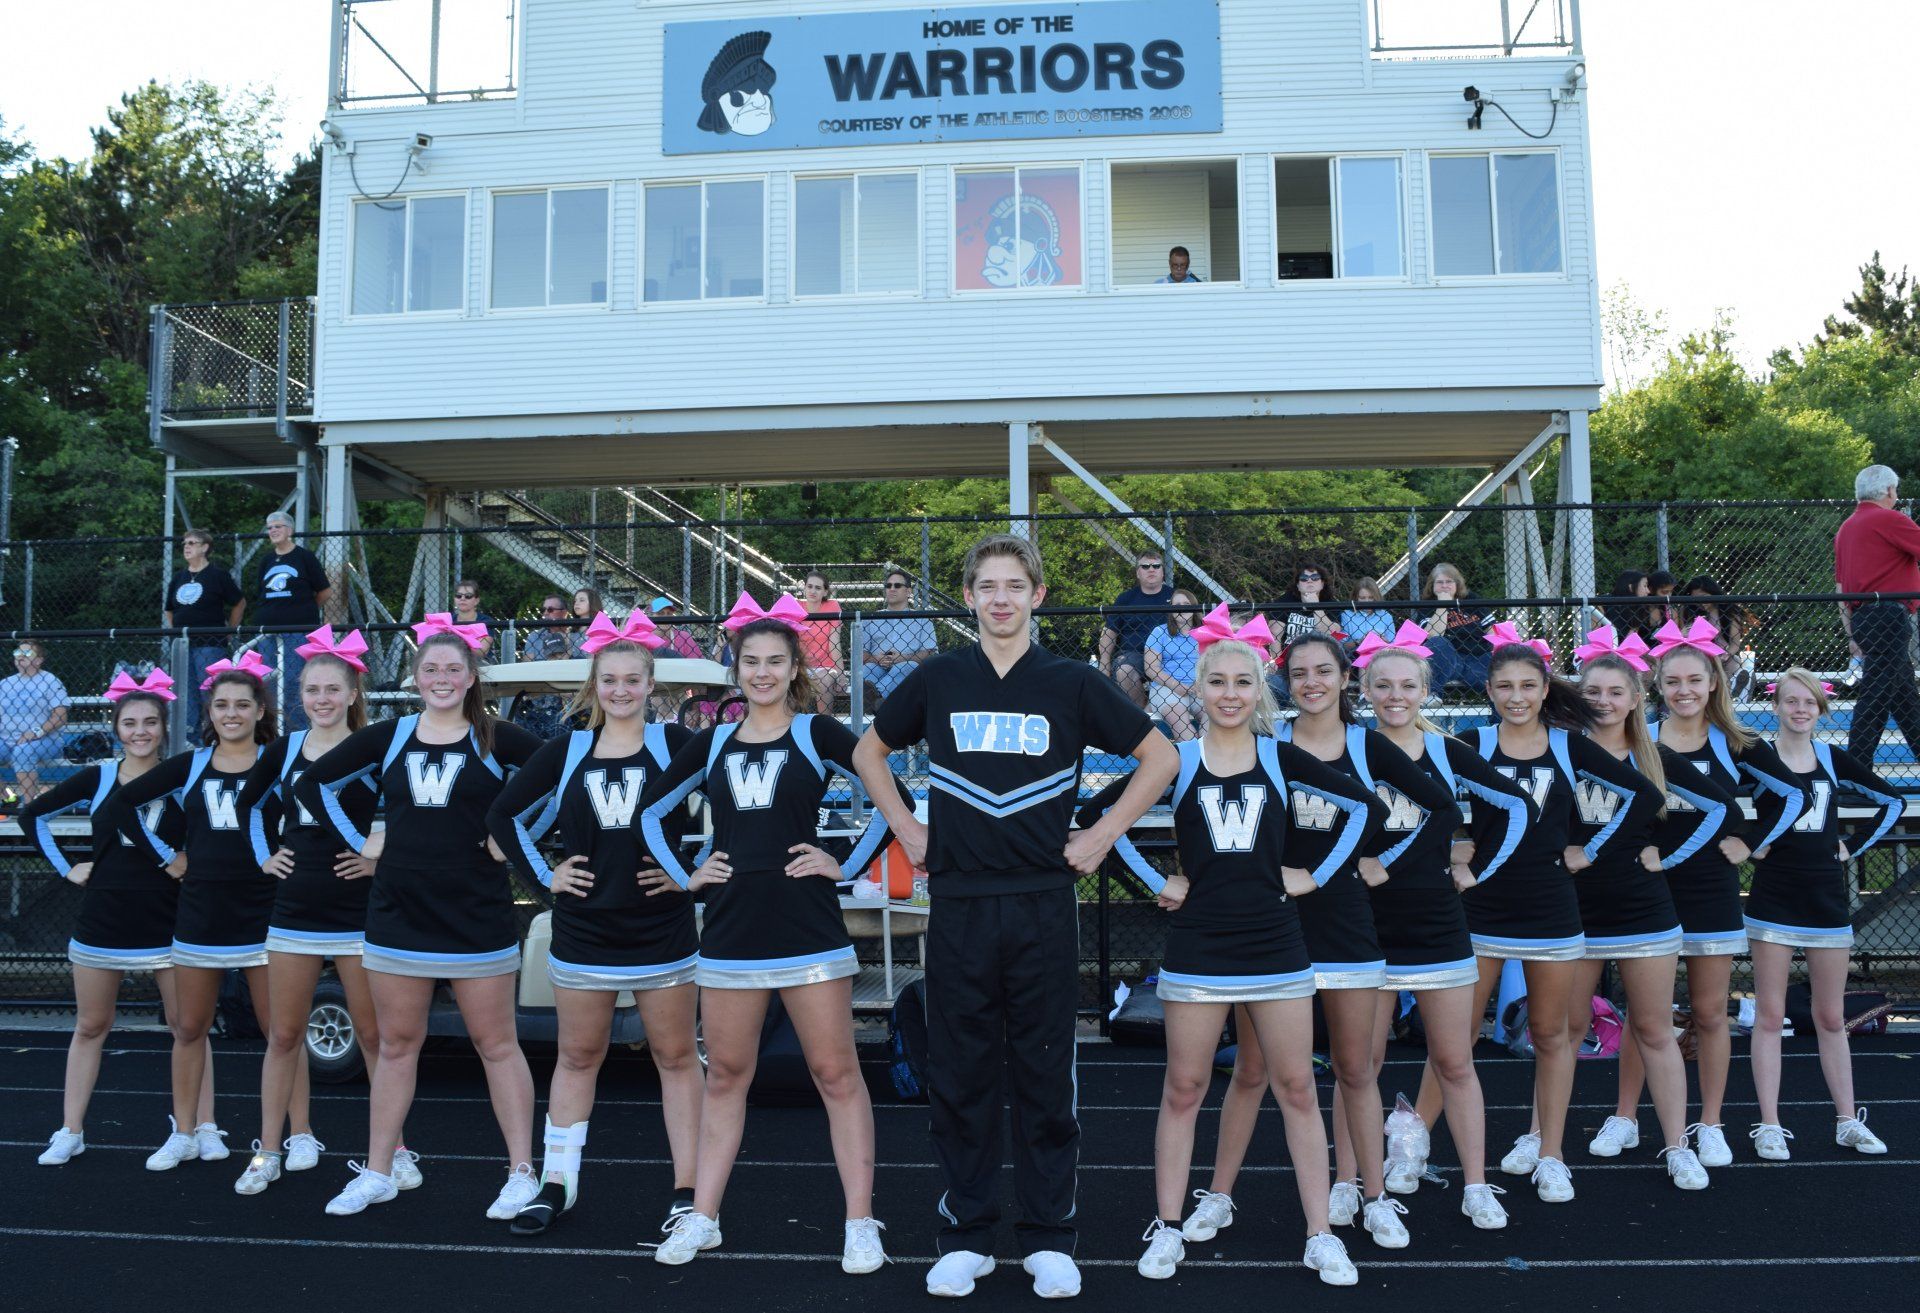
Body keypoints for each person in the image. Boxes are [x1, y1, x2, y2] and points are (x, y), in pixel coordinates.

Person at [853, 534, 1179, 1300]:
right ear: (968, 598)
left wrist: (1101, 834)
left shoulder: (1068, 681)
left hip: (1042, 901)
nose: (1000, 597)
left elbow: (1160, 756)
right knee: (959, 1071)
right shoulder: (938, 677)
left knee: (1043, 1072)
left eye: (1014, 584)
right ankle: (965, 1232)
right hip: (959, 901)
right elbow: (871, 751)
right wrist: (906, 825)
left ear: (1036, 595)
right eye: (987, 585)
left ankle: (1048, 1236)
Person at [1079, 628, 1378, 1286]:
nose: (1230, 693)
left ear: (1259, 689)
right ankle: (1167, 1225)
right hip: (1198, 947)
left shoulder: (1279, 756)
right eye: (1217, 681)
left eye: (1243, 681)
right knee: (1184, 1089)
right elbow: (1100, 818)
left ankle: (1320, 1233)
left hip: (1277, 944)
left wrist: (1315, 875)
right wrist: (1155, 882)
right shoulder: (1177, 758)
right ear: (1198, 688)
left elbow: (1362, 808)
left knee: (1297, 1088)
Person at [637, 596, 909, 1273]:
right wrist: (688, 872)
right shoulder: (714, 741)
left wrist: (843, 863)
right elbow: (650, 816)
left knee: (836, 1073)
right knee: (726, 1075)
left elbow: (889, 792)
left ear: (794, 669)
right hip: (731, 934)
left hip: (810, 930)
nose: (761, 672)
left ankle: (859, 1220)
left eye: (774, 662)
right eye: (750, 661)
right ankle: (703, 1215)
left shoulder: (818, 733)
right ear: (736, 668)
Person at [296, 615, 545, 1220]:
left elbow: (561, 780)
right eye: (430, 668)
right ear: (414, 677)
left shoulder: (495, 737)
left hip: (475, 915)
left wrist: (513, 840)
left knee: (497, 1045)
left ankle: (521, 1172)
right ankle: (380, 1169)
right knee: (397, 1045)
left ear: (470, 676)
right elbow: (313, 786)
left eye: (452, 669)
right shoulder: (391, 734)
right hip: (399, 914)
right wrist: (363, 840)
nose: (441, 678)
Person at [1419, 635, 1663, 1205]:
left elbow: (1641, 796)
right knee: (1453, 1042)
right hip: (1481, 910)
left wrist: (1590, 849)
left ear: (1545, 689)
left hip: (1553, 909)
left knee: (1553, 1036)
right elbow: (1425, 808)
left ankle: (1551, 1155)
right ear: (1488, 690)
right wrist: (1455, 849)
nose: (1516, 696)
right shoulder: (1471, 744)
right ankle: (1412, 1148)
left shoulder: (1568, 746)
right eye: (1504, 686)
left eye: (1528, 685)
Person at [485, 612, 703, 1237]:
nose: (621, 690)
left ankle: (687, 1190)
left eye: (633, 680)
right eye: (610, 679)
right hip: (585, 930)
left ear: (651, 683)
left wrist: (694, 871)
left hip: (661, 927)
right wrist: (545, 880)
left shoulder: (677, 745)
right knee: (578, 1056)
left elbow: (741, 805)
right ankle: (557, 1183)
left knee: (675, 1057)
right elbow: (504, 819)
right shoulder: (568, 749)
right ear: (595, 684)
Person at [1346, 624, 1532, 1225]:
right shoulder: (1348, 750)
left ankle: (1475, 1185)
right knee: (1360, 1068)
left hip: (1436, 925)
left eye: (1408, 685)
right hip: (1365, 929)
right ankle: (1352, 1182)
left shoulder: (1449, 753)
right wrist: (1353, 862)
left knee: (1456, 1061)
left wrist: (1474, 863)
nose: (1395, 695)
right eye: (1383, 685)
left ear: (1427, 689)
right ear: (1366, 688)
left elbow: (1514, 807)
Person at [1272, 632, 1453, 1250]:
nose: (1312, 683)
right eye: (1300, 673)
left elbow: (1441, 809)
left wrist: (1387, 861)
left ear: (1346, 677)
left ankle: (1370, 1195)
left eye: (1324, 671)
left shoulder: (1366, 745)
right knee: (1268, 1072)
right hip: (1281, 924)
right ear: (1287, 681)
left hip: (1350, 919)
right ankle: (1245, 1193)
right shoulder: (1270, 744)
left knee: (1355, 1067)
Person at [22, 671, 218, 1167]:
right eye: (130, 723)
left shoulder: (184, 775)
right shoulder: (101, 777)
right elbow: (32, 818)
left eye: (150, 722)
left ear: (164, 728)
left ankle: (203, 1126)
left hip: (169, 919)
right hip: (105, 917)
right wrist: (68, 868)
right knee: (91, 1025)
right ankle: (70, 1130)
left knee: (187, 1027)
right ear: (116, 728)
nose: (140, 731)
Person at [231, 627, 395, 1196]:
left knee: (376, 1039)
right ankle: (267, 1152)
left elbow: (407, 816)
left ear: (352, 693)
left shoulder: (379, 745)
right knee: (282, 1035)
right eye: (311, 690)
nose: (321, 699)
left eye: (332, 689)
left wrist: (376, 858)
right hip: (295, 907)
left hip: (359, 912)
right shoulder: (283, 751)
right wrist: (264, 856)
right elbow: (247, 805)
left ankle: (393, 1153)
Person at [1568, 634, 1732, 1190]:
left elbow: (1718, 810)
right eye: (1593, 691)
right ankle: (1546, 1144)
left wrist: (1667, 857)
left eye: (1617, 691)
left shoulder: (1654, 758)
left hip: (1642, 907)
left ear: (1638, 697)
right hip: (1574, 910)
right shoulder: (1560, 751)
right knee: (1565, 1030)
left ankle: (1677, 1143)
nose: (1605, 701)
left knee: (1654, 1028)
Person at [1641, 622, 1807, 1170]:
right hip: (1650, 888)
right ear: (1658, 686)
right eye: (1672, 682)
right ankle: (1625, 1116)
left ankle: (1710, 1123)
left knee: (1711, 1014)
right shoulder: (1640, 738)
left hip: (1711, 889)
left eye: (1694, 679)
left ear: (1713, 683)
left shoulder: (1736, 742)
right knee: (1649, 1016)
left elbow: (1793, 796)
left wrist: (1750, 841)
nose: (1683, 690)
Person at [112, 653, 282, 1173]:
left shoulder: (278, 762)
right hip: (201, 912)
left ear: (259, 711)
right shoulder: (189, 765)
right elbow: (122, 806)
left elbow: (312, 813)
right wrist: (167, 857)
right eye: (221, 705)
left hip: (263, 913)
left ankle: (289, 1137)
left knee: (281, 1033)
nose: (231, 713)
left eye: (242, 705)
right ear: (209, 712)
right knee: (188, 1027)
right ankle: (184, 1131)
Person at [1745, 668, 1899, 1160]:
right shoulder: (1757, 758)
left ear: (1820, 708)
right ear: (1777, 706)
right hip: (1774, 897)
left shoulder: (1832, 759)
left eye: (1809, 702)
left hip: (1825, 900)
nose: (1800, 710)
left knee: (1831, 1016)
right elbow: (1718, 803)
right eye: (1791, 701)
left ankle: (1847, 1121)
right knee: (1770, 1016)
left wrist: (1852, 847)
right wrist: (1753, 844)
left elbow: (1891, 802)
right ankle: (1769, 1124)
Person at [1834, 464, 1920, 770]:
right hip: (1889, 616)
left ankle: (1856, 770)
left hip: (1864, 618)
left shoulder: (1847, 528)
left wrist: (1850, 634)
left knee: (1903, 697)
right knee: (1877, 692)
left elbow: (1841, 587)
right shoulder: (1889, 519)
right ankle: (1855, 771)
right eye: (1895, 489)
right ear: (1888, 491)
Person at [255, 512, 332, 732]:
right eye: (270, 527)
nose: (273, 531)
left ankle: (295, 732)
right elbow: (260, 593)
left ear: (290, 530)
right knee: (267, 682)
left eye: (278, 526)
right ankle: (269, 731)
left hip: (297, 631)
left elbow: (325, 591)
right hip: (267, 632)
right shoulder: (266, 561)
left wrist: (303, 611)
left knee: (293, 682)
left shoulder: (304, 557)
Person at [166, 529, 246, 728]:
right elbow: (169, 609)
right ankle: (191, 740)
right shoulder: (178, 578)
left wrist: (229, 631)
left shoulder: (218, 575)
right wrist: (177, 631)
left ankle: (215, 733)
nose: (186, 547)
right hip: (182, 645)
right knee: (185, 695)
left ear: (205, 547)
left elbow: (239, 602)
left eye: (192, 543)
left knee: (210, 693)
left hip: (210, 644)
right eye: (185, 543)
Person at [1100, 550, 1177, 709]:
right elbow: (1109, 633)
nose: (1151, 569)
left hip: (1170, 655)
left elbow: (1192, 627)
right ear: (1138, 572)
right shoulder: (1125, 599)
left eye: (1156, 566)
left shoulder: (1176, 597)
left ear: (1163, 572)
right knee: (1124, 671)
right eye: (1145, 566)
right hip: (1135, 655)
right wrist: (1104, 662)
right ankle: (1141, 715)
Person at [0, 639, 70, 804]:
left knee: (22, 752)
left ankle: (29, 806)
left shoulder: (50, 681)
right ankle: (7, 799)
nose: (20, 656)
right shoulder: (4, 684)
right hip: (6, 739)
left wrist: (35, 732)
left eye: (27, 653)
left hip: (45, 739)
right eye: (18, 653)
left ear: (39, 660)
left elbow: (60, 716)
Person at [857, 569, 937, 707]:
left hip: (906, 668)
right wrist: (877, 658)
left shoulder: (922, 619)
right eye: (888, 586)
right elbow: (860, 654)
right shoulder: (871, 618)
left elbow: (929, 653)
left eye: (897, 585)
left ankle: (876, 698)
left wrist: (902, 658)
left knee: (909, 666)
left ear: (908, 591)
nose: (892, 589)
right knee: (866, 669)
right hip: (877, 666)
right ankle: (877, 700)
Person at [511, 594, 576, 740]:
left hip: (567, 696)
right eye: (544, 609)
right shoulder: (535, 636)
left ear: (564, 612)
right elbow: (526, 667)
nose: (545, 613)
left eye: (550, 609)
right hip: (539, 694)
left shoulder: (574, 636)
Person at [1419, 564, 1493, 692]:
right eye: (1439, 582)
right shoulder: (1427, 605)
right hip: (1450, 661)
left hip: (1479, 658)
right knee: (1438, 642)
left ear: (1457, 584)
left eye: (1449, 582)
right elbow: (1434, 635)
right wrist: (1443, 604)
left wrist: (1496, 650)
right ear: (1432, 586)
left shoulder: (1471, 599)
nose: (1444, 585)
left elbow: (1490, 630)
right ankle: (1433, 695)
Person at [1679, 576, 1757, 695]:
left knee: (1734, 664)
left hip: (1723, 655)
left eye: (1704, 598)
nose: (1700, 603)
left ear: (1713, 593)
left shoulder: (1727, 611)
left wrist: (1727, 655)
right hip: (1697, 656)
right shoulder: (1689, 611)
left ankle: (1734, 691)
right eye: (1696, 599)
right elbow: (1682, 635)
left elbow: (1735, 643)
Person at [1142, 589, 1202, 740]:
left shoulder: (1205, 632)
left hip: (1199, 686)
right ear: (1171, 610)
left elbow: (1215, 663)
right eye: (1177, 605)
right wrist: (1176, 685)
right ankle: (1194, 757)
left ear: (1194, 606)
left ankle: (1208, 757)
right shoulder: (1159, 632)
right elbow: (1151, 668)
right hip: (1167, 687)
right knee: (1179, 719)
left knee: (1211, 716)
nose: (1182, 608)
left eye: (1187, 604)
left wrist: (1201, 682)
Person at [797, 571, 849, 714]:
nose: (813, 591)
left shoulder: (832, 607)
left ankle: (824, 722)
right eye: (810, 586)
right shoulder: (795, 606)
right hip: (799, 664)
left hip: (826, 666)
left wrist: (841, 674)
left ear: (825, 591)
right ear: (805, 588)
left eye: (818, 588)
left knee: (824, 680)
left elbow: (834, 644)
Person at [1270, 563, 1340, 648]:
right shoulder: (1285, 601)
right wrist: (1277, 660)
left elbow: (1332, 635)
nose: (1309, 581)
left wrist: (1316, 606)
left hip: (1320, 655)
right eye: (1304, 578)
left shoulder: (1331, 603)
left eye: (1315, 577)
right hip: (1290, 655)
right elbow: (1274, 634)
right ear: (1298, 585)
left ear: (1322, 584)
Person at [1339, 577, 1396, 650]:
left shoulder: (1386, 616)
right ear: (1355, 598)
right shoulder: (1347, 615)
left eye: (1371, 597)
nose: (1367, 602)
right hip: (1354, 659)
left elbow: (1393, 646)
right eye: (1362, 598)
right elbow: (1340, 646)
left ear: (1376, 597)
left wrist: (1384, 642)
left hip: (1380, 657)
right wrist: (1359, 642)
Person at [1605, 570, 1654, 643]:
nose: (1648, 591)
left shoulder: (1638, 609)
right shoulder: (1603, 604)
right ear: (1631, 587)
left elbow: (1630, 642)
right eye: (1644, 586)